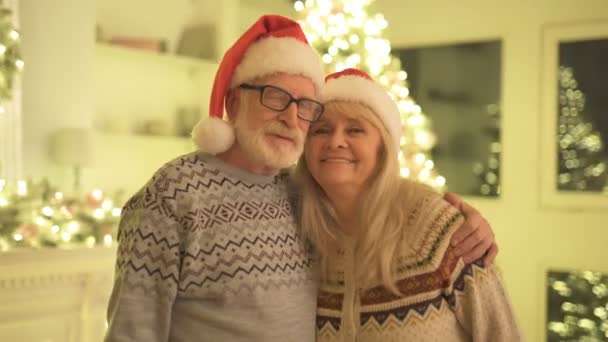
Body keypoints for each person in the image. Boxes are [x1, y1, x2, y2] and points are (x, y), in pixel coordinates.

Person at [105, 15, 498, 342]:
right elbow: (132, 332)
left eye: (306, 106)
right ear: (234, 101)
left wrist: (470, 226)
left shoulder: (306, 197)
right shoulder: (172, 196)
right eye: (275, 96)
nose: (291, 118)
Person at [295, 68, 521, 341]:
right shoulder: (297, 233)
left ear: (383, 149)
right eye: (321, 130)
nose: (336, 141)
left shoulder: (437, 227)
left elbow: (502, 333)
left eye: (355, 130)